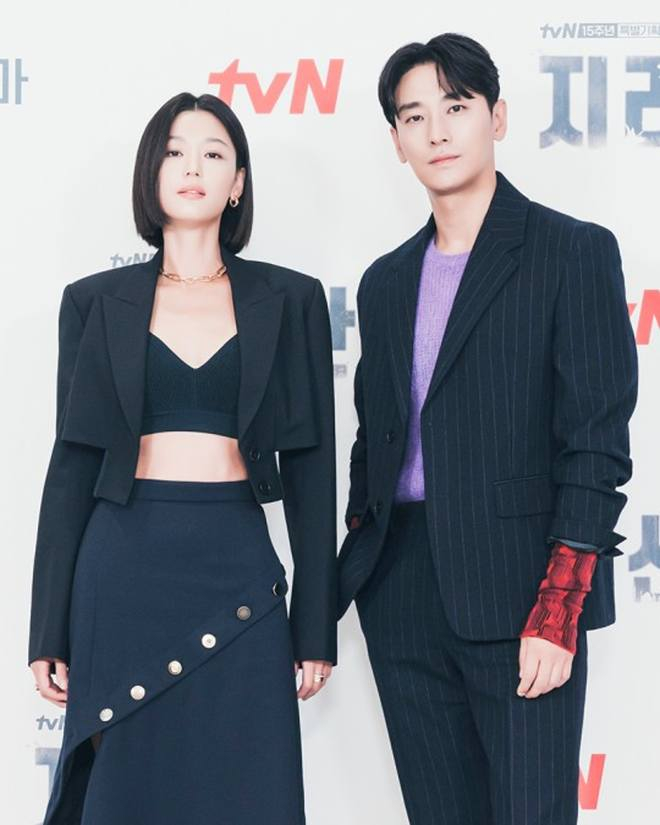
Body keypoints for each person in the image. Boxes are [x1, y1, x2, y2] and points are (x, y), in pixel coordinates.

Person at [337, 33, 638, 825]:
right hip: (403, 593)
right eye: (414, 116)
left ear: (496, 117)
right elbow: (377, 436)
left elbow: (596, 444)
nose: (436, 131)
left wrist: (558, 607)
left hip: (520, 593)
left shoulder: (571, 252)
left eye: (456, 106)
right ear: (396, 141)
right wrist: (363, 556)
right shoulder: (384, 282)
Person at [28, 91, 337, 825]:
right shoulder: (93, 302)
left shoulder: (290, 300)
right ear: (151, 173)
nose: (192, 167)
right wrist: (48, 629)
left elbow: (313, 471)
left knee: (245, 793)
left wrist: (315, 625)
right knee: (125, 794)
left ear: (238, 183)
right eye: (174, 151)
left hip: (237, 567)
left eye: (213, 153)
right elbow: (70, 469)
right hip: (122, 568)